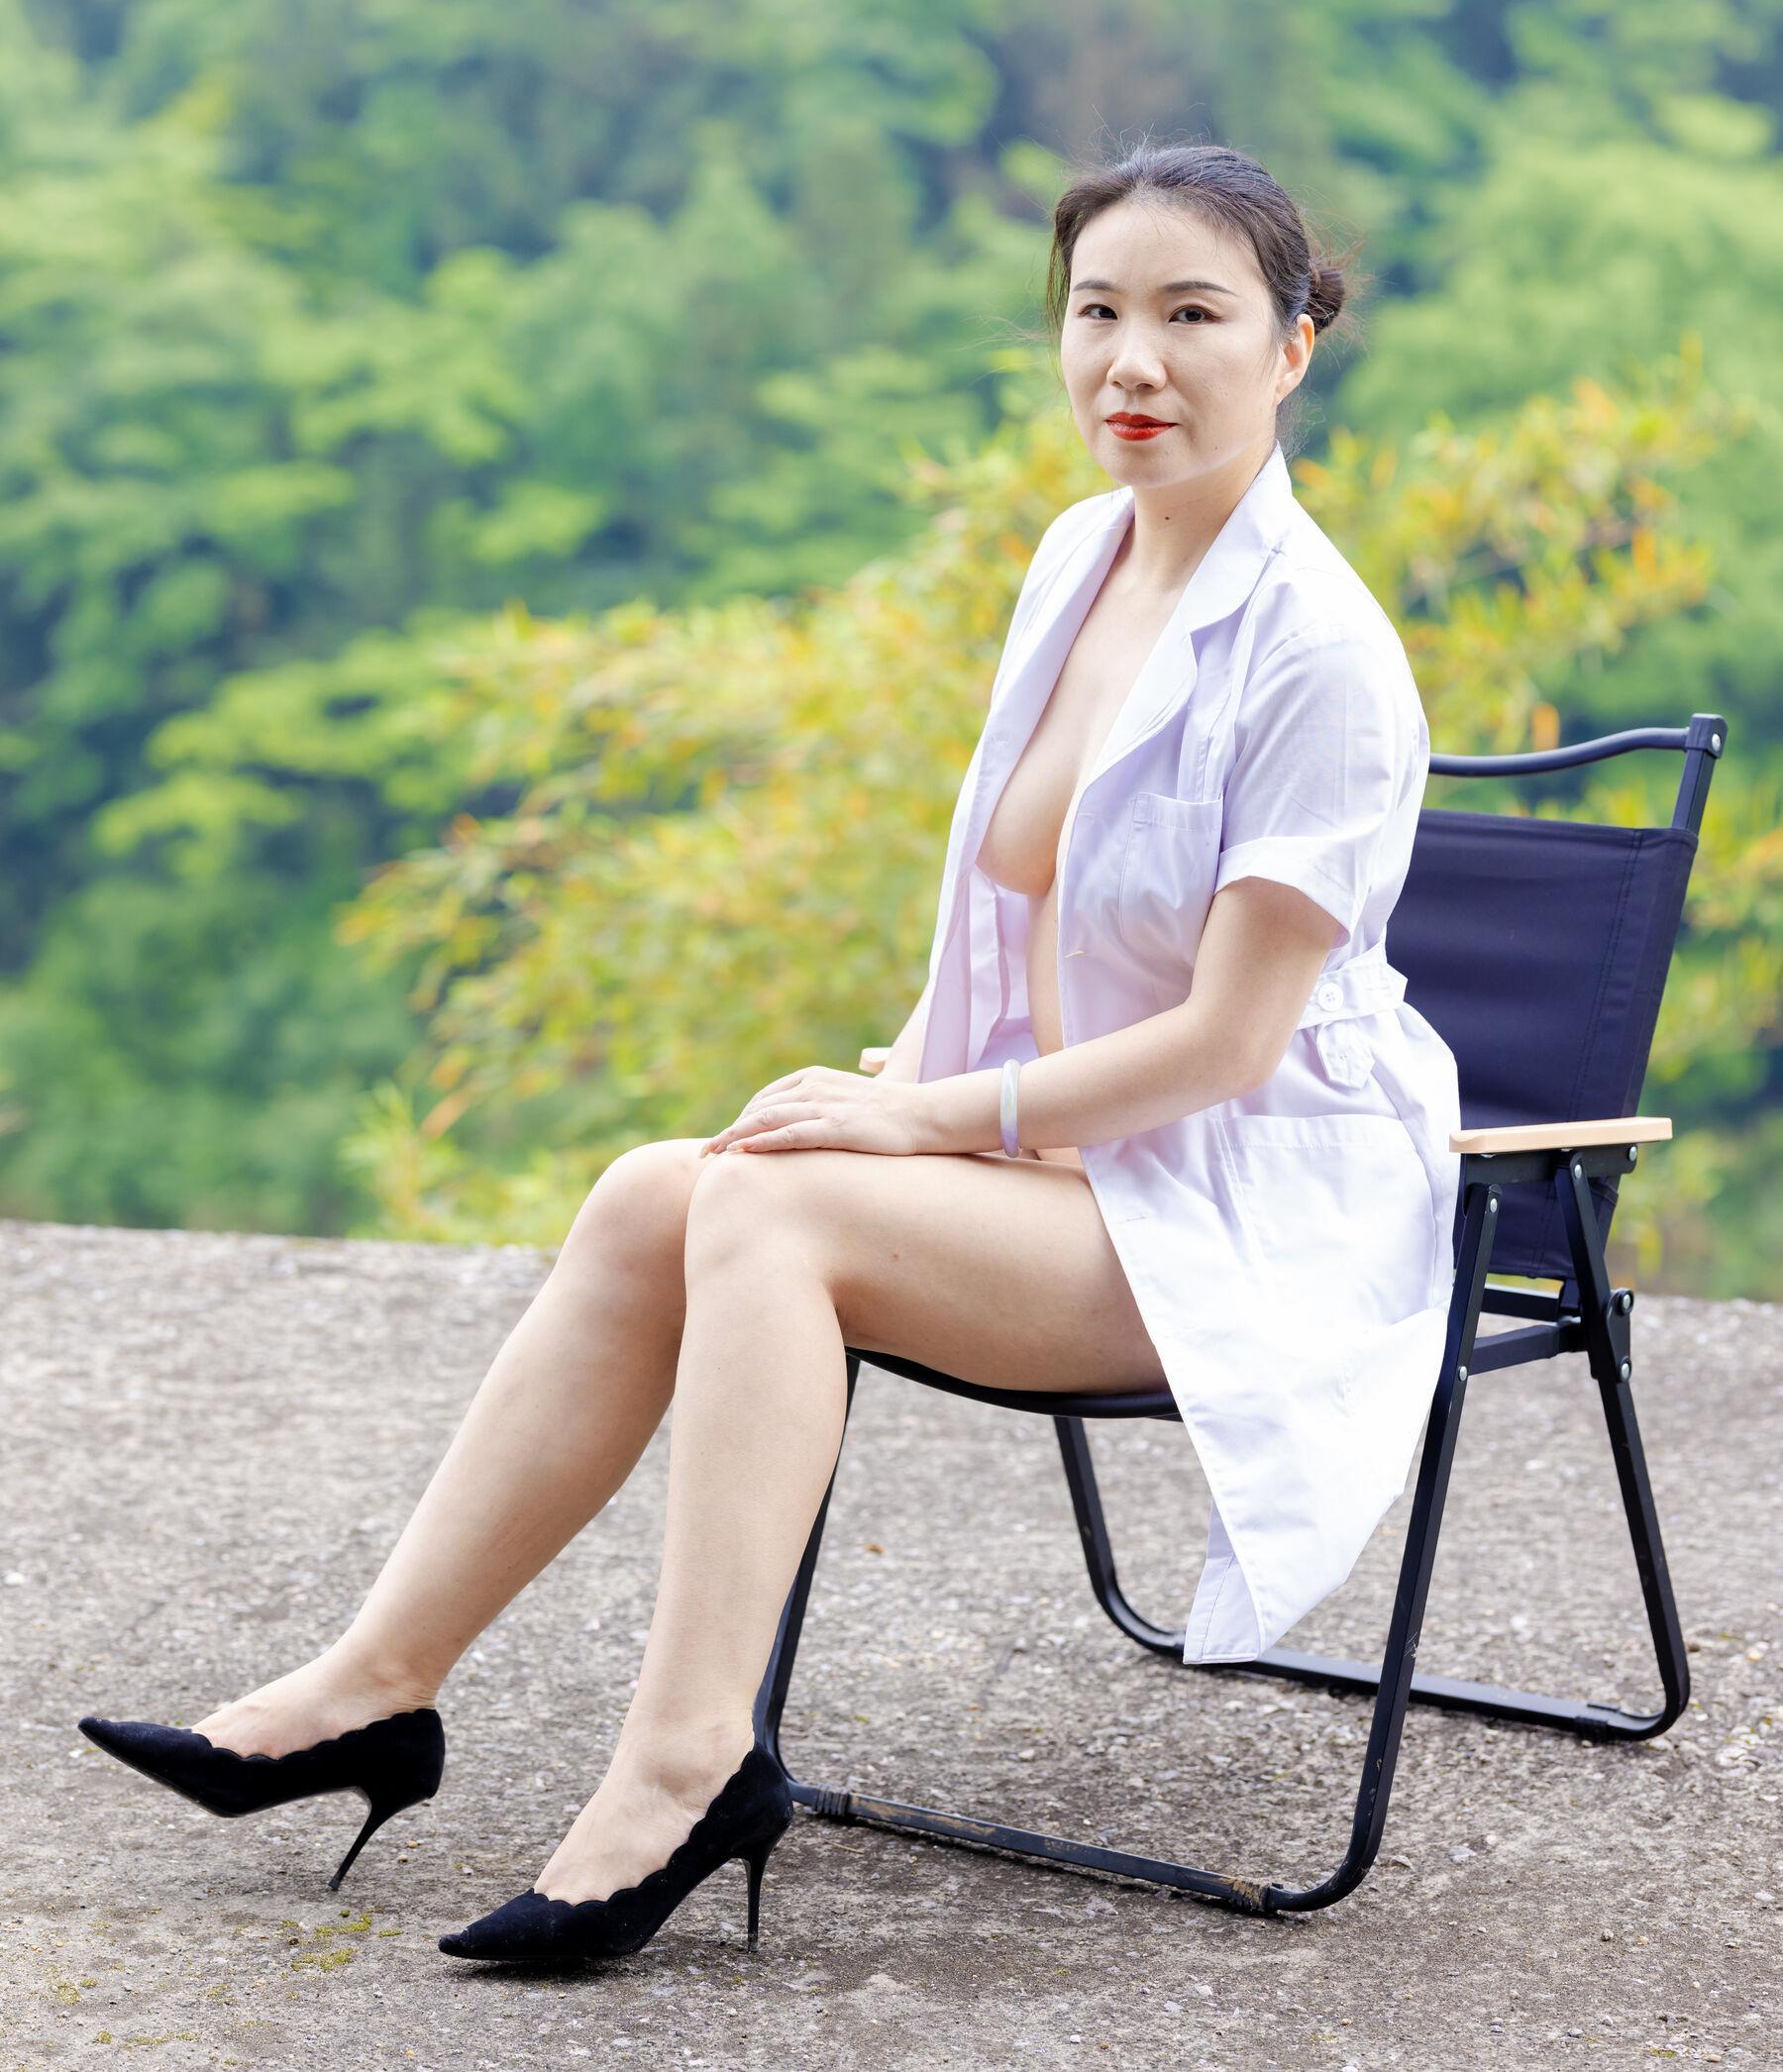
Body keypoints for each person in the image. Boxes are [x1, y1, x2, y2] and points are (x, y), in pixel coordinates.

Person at [78, 139, 1460, 1967]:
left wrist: (926, 1120)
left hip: (1239, 1209)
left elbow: (1226, 1043)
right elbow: (1024, 919)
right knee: (661, 1190)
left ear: (1292, 347)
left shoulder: (1325, 656)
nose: (1133, 361)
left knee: (772, 1211)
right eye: (1097, 312)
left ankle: (685, 1764)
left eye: (1192, 316)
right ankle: (371, 1688)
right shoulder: (1081, 557)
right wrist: (921, 1083)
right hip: (1069, 1167)